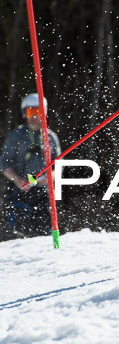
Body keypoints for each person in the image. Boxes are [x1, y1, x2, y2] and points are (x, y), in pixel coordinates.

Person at [0, 93, 60, 238]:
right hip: (20, 191)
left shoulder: (50, 137)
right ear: (24, 113)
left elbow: (58, 164)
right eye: (30, 112)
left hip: (44, 192)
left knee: (45, 232)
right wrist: (17, 180)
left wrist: (50, 176)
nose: (34, 116)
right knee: (19, 232)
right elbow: (4, 162)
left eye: (37, 112)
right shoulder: (16, 136)